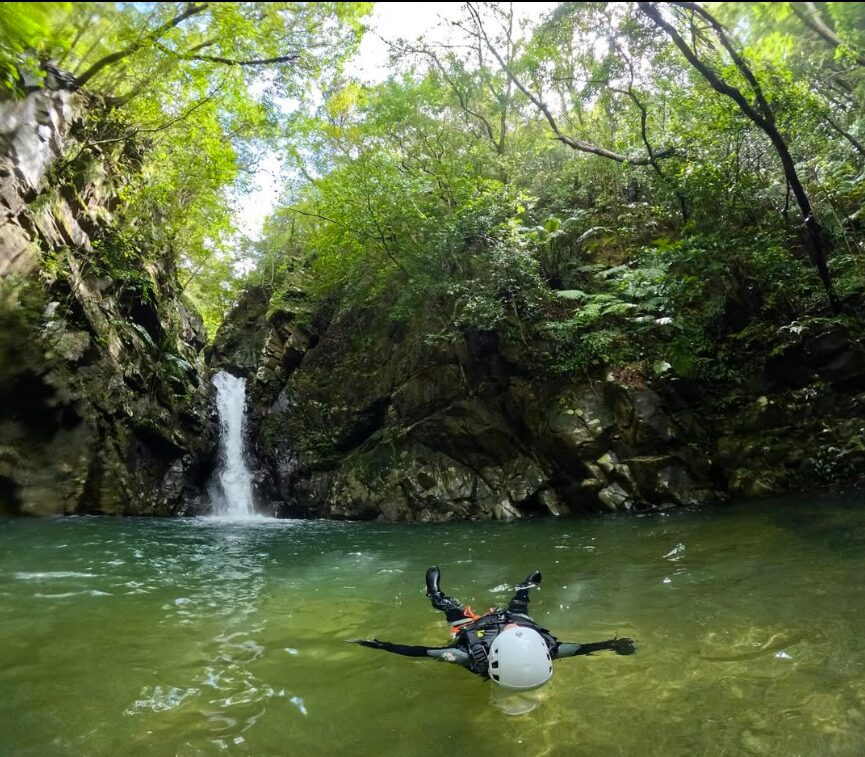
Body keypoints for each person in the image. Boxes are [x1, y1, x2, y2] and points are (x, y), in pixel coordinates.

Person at [351, 566, 635, 691]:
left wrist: (380, 645)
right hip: (519, 630)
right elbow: (584, 648)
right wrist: (613, 644)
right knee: (519, 607)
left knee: (450, 608)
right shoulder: (550, 648)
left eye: (509, 627)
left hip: (476, 628)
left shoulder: (470, 658)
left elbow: (420, 652)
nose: (507, 623)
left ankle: (435, 594)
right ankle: (524, 587)